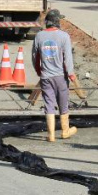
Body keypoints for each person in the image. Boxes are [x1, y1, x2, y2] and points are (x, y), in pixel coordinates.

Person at [32, 9, 77, 142]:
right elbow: (67, 58)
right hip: (61, 76)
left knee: (49, 104)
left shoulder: (39, 36)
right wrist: (71, 74)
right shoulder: (64, 36)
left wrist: (39, 71)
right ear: (57, 22)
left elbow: (35, 57)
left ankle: (51, 135)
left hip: (46, 76)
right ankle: (65, 131)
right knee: (63, 103)